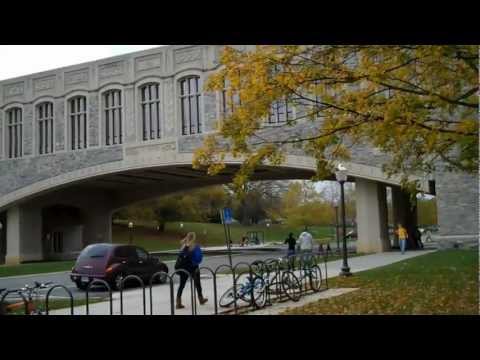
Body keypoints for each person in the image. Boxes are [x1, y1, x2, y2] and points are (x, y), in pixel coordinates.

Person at [174, 232, 208, 309]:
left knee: (181, 285)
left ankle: (178, 303)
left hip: (183, 268)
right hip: (193, 268)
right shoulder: (195, 246)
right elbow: (199, 258)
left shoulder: (183, 246)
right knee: (197, 284)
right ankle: (201, 299)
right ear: (194, 238)